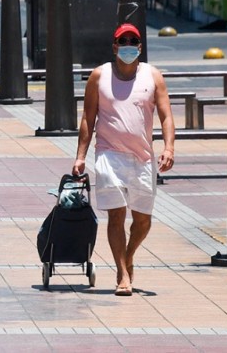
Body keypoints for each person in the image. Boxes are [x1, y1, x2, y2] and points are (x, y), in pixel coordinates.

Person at [72, 23, 175, 297]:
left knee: (143, 220)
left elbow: (165, 115)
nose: (128, 44)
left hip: (142, 157)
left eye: (133, 40)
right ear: (115, 45)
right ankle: (122, 273)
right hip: (108, 154)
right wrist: (81, 156)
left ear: (140, 46)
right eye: (123, 40)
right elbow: (88, 118)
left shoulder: (153, 76)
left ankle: (128, 256)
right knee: (116, 215)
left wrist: (169, 148)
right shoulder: (99, 76)